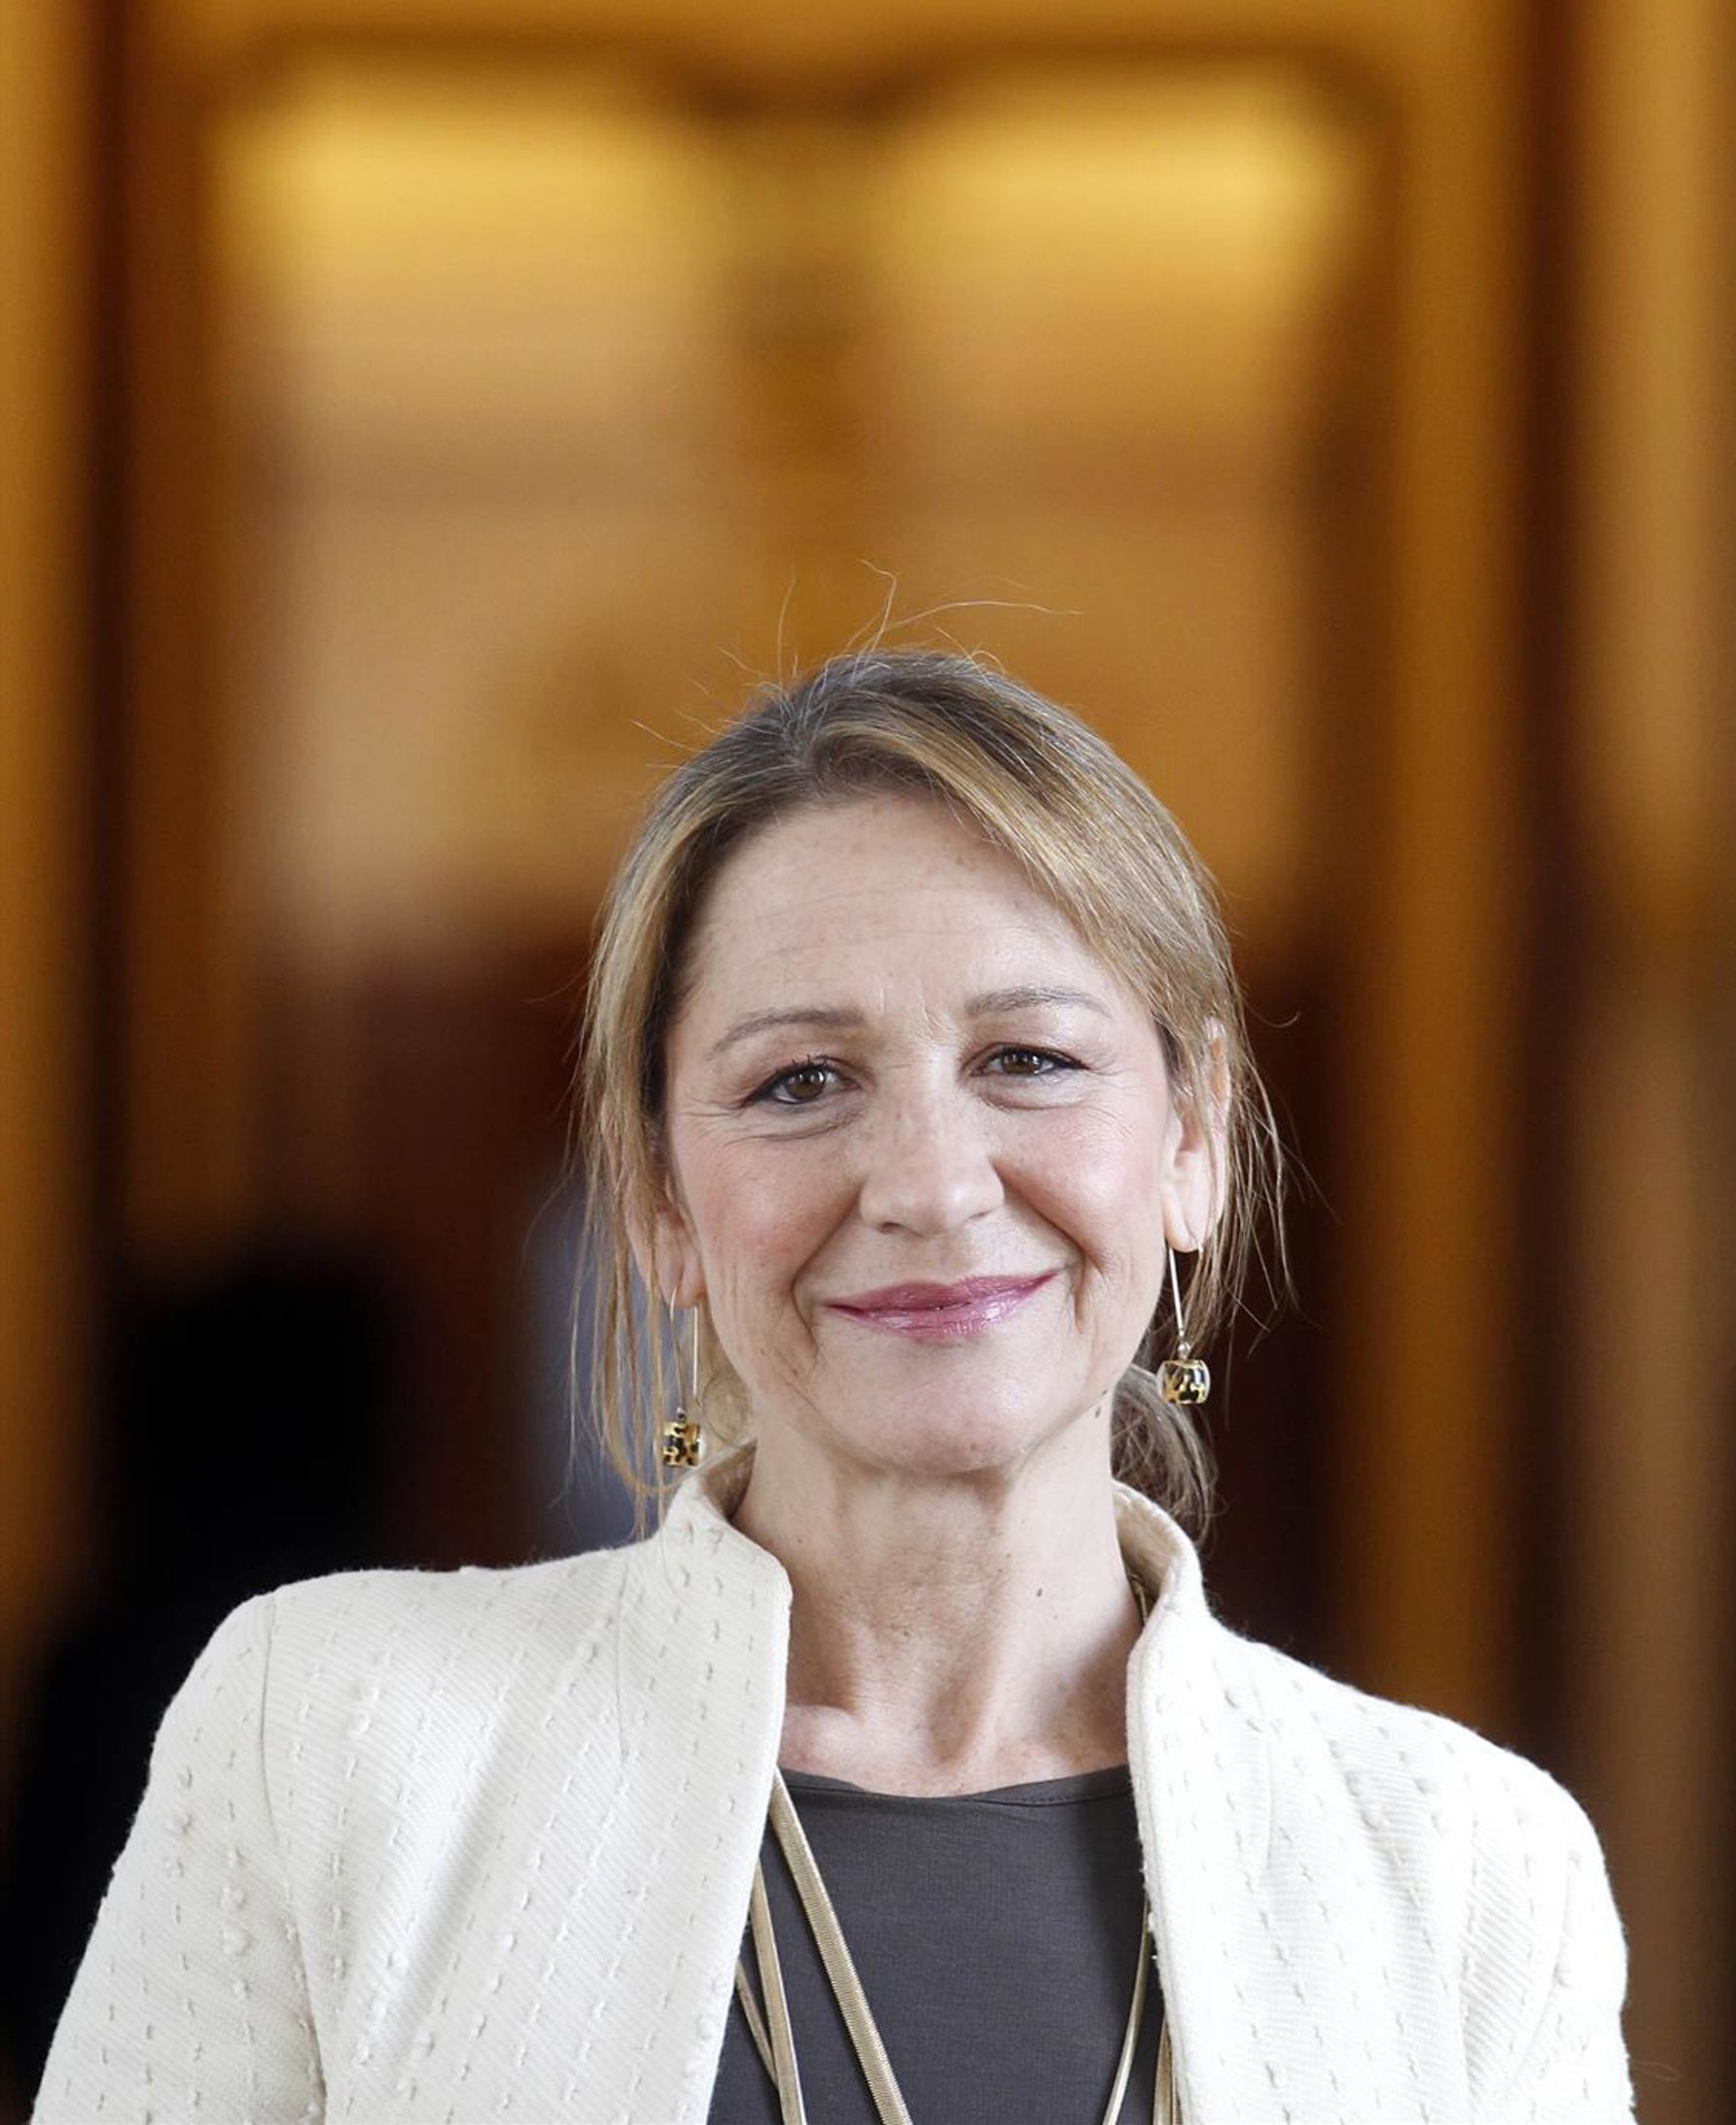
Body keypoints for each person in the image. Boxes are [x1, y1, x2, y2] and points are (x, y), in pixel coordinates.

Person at [36, 648, 1634, 2123]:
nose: (930, 1184)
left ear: (1194, 1139)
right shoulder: (323, 1733)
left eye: (1028, 1059)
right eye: (801, 1081)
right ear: (659, 1202)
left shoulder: (1471, 1873)